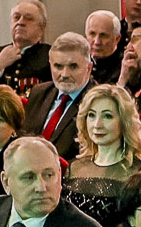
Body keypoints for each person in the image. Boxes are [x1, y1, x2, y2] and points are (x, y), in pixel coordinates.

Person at [63, 84, 141, 227]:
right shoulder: (74, 167)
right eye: (91, 115)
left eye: (107, 116)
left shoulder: (139, 174)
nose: (97, 125)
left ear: (124, 122)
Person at [22, 32, 95, 161]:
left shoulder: (97, 101)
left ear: (88, 68)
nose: (65, 74)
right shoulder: (38, 92)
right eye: (58, 66)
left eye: (73, 66)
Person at [0, 0, 52, 93]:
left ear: (41, 27)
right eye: (16, 17)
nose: (20, 22)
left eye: (29, 19)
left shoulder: (50, 55)